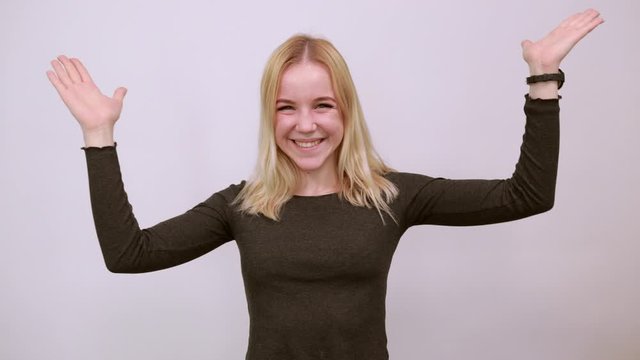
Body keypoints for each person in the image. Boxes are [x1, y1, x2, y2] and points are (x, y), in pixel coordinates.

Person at [47, 9, 603, 360]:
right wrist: (99, 134)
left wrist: (543, 80)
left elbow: (527, 195)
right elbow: (128, 254)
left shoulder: (392, 195)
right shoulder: (240, 206)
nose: (305, 124)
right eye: (287, 107)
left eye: (322, 106)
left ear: (347, 112)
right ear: (271, 116)